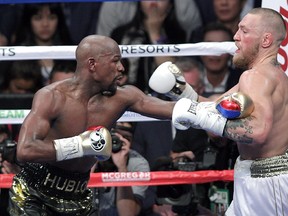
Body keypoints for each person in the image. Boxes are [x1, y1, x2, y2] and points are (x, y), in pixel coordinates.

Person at [7, 34, 175, 215]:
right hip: (35, 194)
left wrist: (201, 104)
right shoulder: (52, 96)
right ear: (93, 64)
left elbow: (173, 110)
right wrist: (80, 145)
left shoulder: (123, 97)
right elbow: (25, 150)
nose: (122, 68)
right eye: (115, 61)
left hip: (78, 196)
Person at [150, 8, 287, 215]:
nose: (235, 36)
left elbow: (257, 131)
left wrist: (199, 116)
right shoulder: (271, 75)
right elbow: (215, 106)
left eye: (244, 31)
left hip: (266, 183)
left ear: (266, 40)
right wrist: (181, 91)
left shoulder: (255, 77)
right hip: (255, 178)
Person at [91, 122, 150, 216]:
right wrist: (93, 159)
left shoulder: (138, 163)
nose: (118, 141)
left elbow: (127, 214)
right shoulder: (88, 157)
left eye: (126, 137)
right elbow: (75, 201)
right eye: (114, 136)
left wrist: (122, 168)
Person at [13, 3, 72, 85]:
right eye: (38, 18)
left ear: (59, 20)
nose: (45, 24)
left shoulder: (71, 53)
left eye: (51, 18)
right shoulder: (17, 54)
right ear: (28, 21)